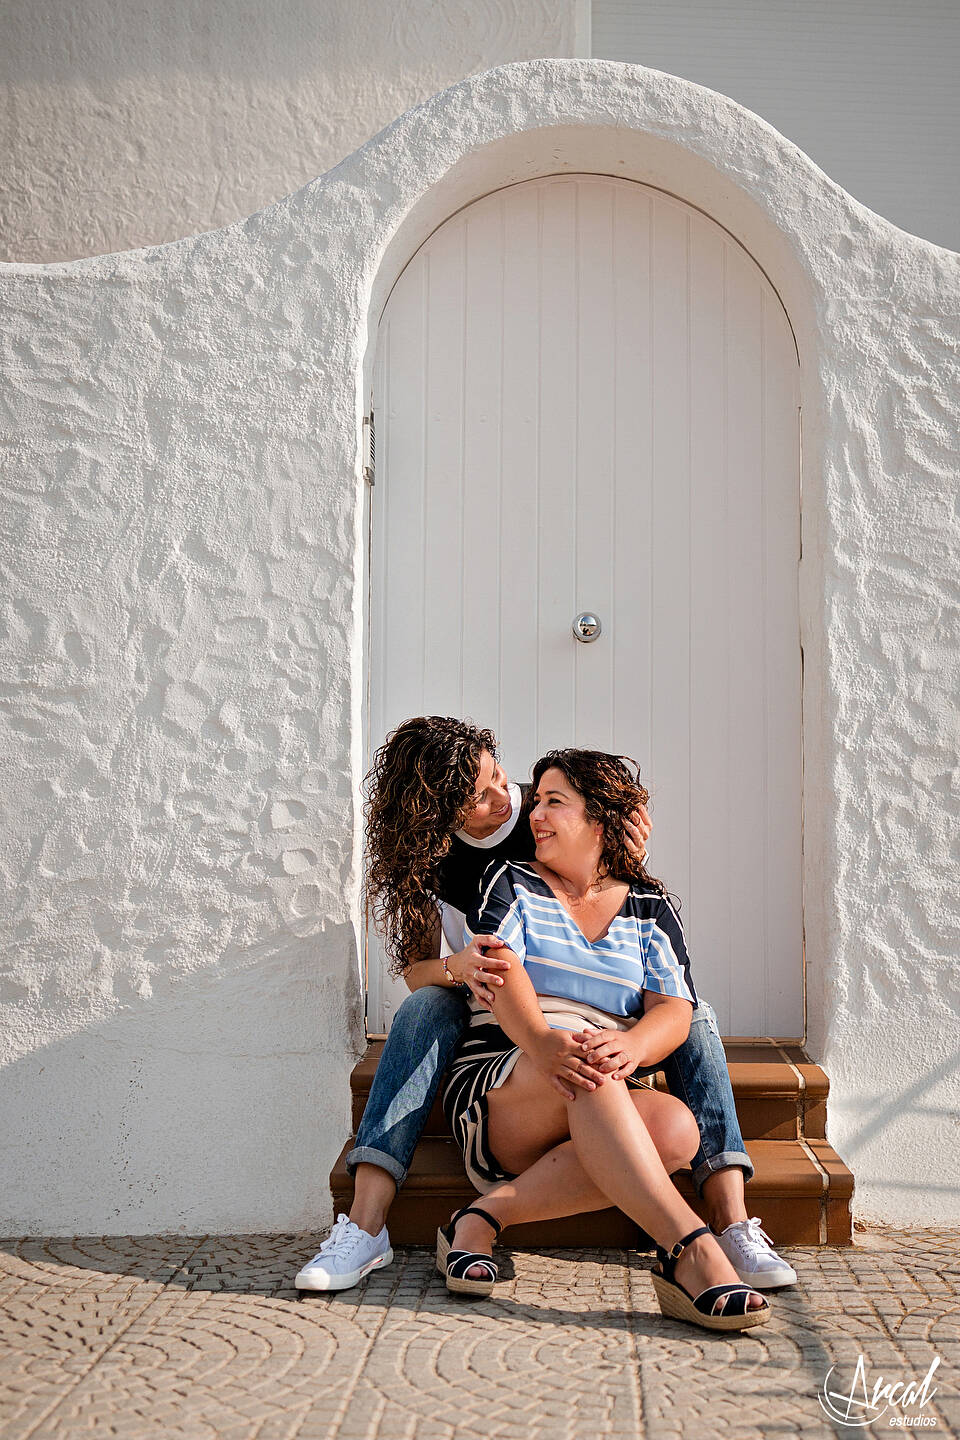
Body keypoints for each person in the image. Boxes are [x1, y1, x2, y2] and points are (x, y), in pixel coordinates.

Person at [295, 717, 796, 1294]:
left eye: (501, 776)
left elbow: (605, 855)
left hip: (587, 1034)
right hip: (494, 1020)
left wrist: (619, 848)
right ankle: (366, 1222)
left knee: (689, 1027)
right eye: (479, 796)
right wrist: (466, 973)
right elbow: (422, 971)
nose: (509, 800)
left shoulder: (553, 817)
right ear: (437, 814)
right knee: (429, 1006)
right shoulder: (462, 870)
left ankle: (728, 1217)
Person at [438, 748, 769, 1330]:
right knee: (583, 1062)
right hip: (510, 1075)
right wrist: (542, 1040)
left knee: (677, 1130)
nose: (534, 814)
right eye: (537, 801)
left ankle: (481, 1219)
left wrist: (635, 1047)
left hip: (599, 1079)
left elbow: (674, 1009)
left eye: (554, 802)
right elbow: (496, 964)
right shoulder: (510, 881)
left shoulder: (649, 907)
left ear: (600, 821)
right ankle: (691, 1249)